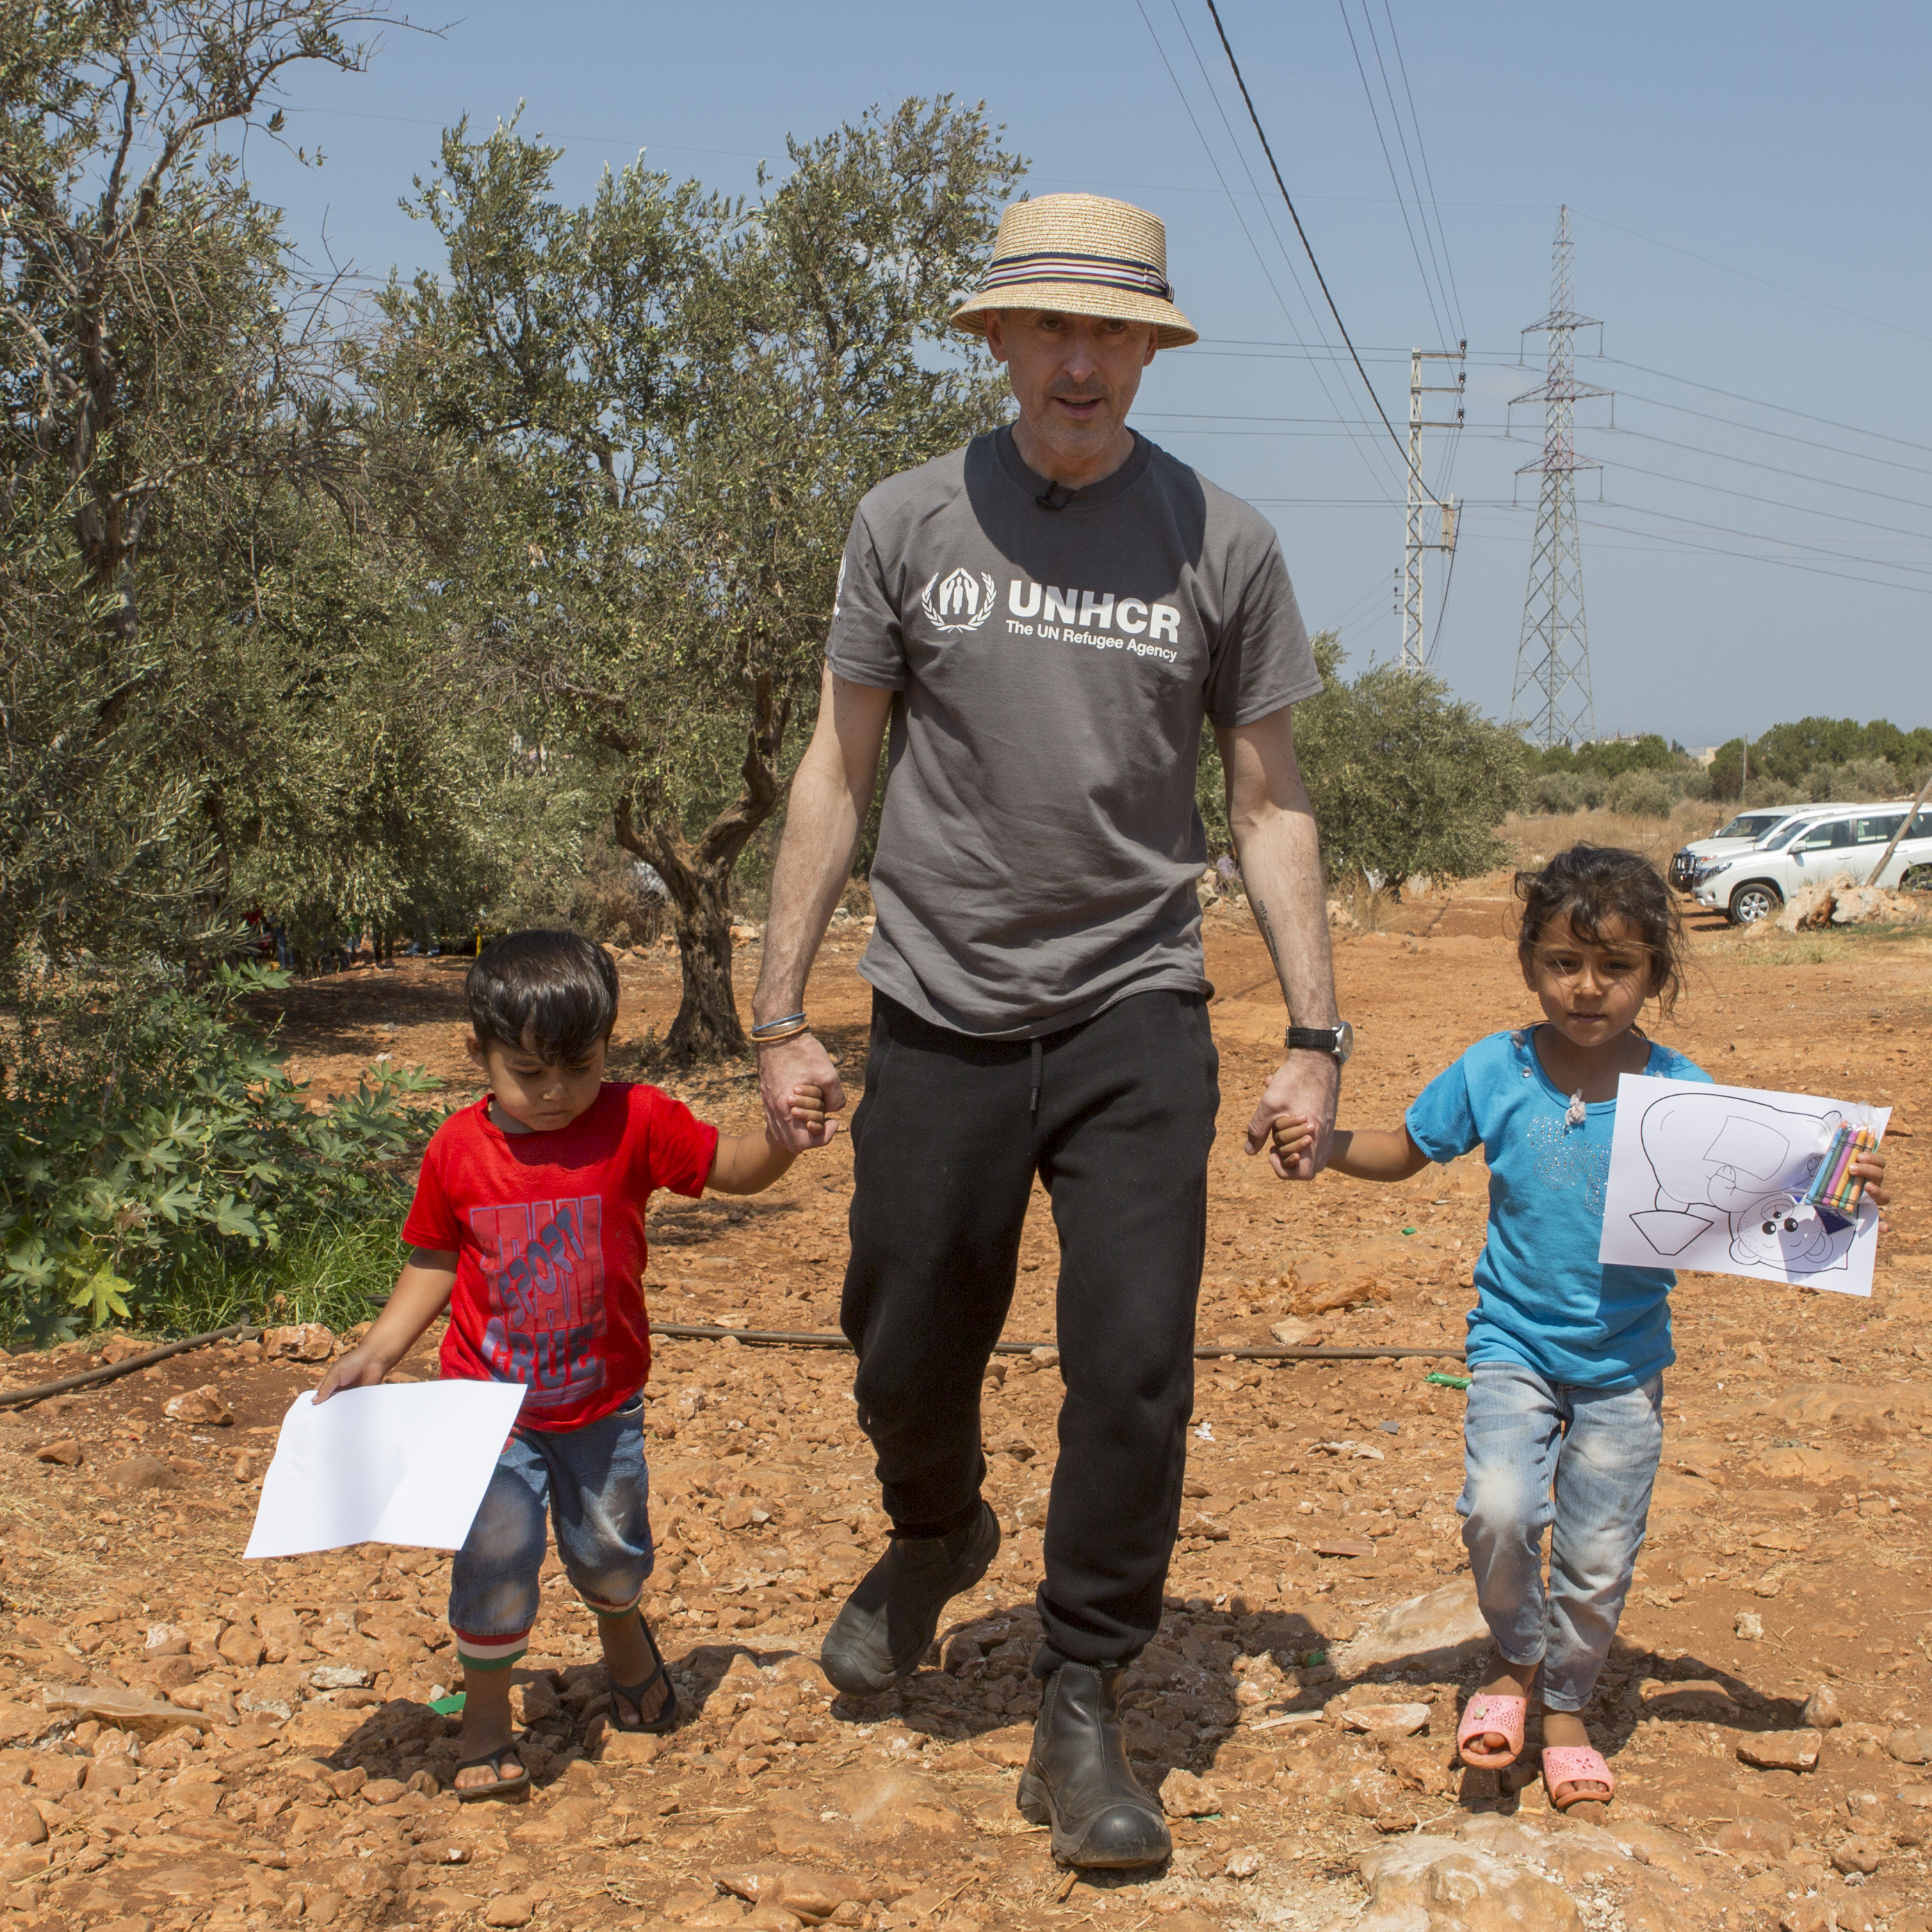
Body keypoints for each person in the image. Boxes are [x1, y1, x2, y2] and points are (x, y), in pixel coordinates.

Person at [750, 193, 1345, 1869]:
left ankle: (1081, 1692)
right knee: (901, 1337)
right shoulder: (905, 521)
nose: (1082, 361)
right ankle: (936, 1530)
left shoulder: (1220, 542)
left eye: (1113, 333)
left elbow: (1268, 800)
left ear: (1148, 352)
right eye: (1053, 328)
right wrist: (777, 1013)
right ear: (1000, 341)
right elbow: (835, 771)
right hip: (937, 1002)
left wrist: (1314, 1032)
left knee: (1133, 1360)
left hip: (1133, 1005)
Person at [1272, 846, 1888, 1818]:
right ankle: (1515, 1658)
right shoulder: (1494, 1068)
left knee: (1597, 1555)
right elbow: (1405, 1147)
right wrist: (1326, 1147)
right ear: (1529, 963)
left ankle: (1564, 1708)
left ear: (1654, 973)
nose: (1588, 987)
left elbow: (1765, 1199)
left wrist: (1841, 1191)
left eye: (1616, 966)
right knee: (1499, 1510)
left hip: (1623, 1366)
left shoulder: (1681, 1096)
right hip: (1510, 1345)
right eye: (1564, 962)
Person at [312, 930, 815, 1799]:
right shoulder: (456, 1150)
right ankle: (484, 1718)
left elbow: (732, 1168)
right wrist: (376, 1351)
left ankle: (621, 1632)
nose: (554, 1092)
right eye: (528, 1072)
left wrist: (782, 1136)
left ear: (608, 1047)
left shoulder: (636, 1120)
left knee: (610, 1551)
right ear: (477, 1053)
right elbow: (434, 1257)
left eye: (578, 1068)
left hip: (601, 1406)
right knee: (494, 1557)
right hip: (486, 1411)